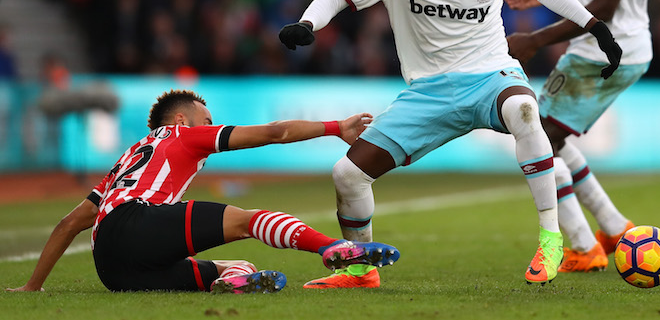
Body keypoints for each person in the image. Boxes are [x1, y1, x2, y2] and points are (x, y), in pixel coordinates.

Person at [279, 0, 622, 288]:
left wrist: (594, 26)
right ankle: (360, 270)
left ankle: (551, 239)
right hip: (429, 92)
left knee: (525, 110)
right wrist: (307, 23)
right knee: (347, 175)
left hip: (492, 75)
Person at [6, 89, 399, 293]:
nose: (211, 125)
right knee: (248, 220)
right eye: (206, 120)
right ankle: (334, 249)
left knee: (238, 266)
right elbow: (275, 132)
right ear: (182, 119)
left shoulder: (125, 161)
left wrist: (32, 285)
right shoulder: (184, 135)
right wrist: (335, 128)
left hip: (113, 267)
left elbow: (69, 223)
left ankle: (230, 282)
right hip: (139, 223)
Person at [505, 0, 653, 273]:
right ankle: (608, 228)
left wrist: (533, 40)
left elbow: (603, 9)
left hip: (604, 53)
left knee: (538, 140)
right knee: (551, 136)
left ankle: (584, 246)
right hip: (610, 47)